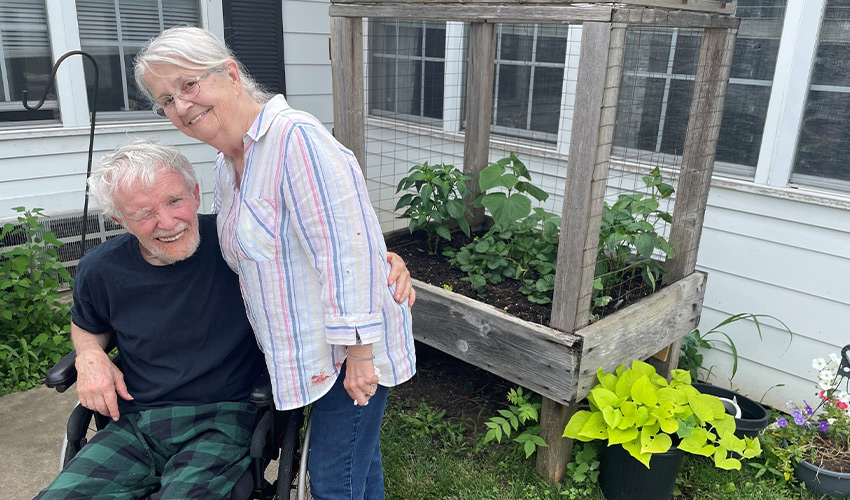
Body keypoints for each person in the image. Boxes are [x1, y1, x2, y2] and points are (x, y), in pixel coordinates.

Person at [35, 141, 413, 499]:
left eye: (174, 201)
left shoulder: (240, 245)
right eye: (144, 214)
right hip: (136, 423)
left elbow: (332, 256)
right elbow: (88, 323)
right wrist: (88, 354)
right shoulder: (101, 269)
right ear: (120, 219)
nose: (168, 222)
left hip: (224, 418)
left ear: (196, 193)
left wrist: (386, 263)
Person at [134, 27, 417, 499]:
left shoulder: (294, 139)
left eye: (189, 85)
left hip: (348, 348)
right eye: (166, 99)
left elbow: (345, 252)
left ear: (229, 74)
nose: (181, 106)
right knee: (356, 466)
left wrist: (362, 355)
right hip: (305, 353)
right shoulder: (227, 166)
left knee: (332, 479)